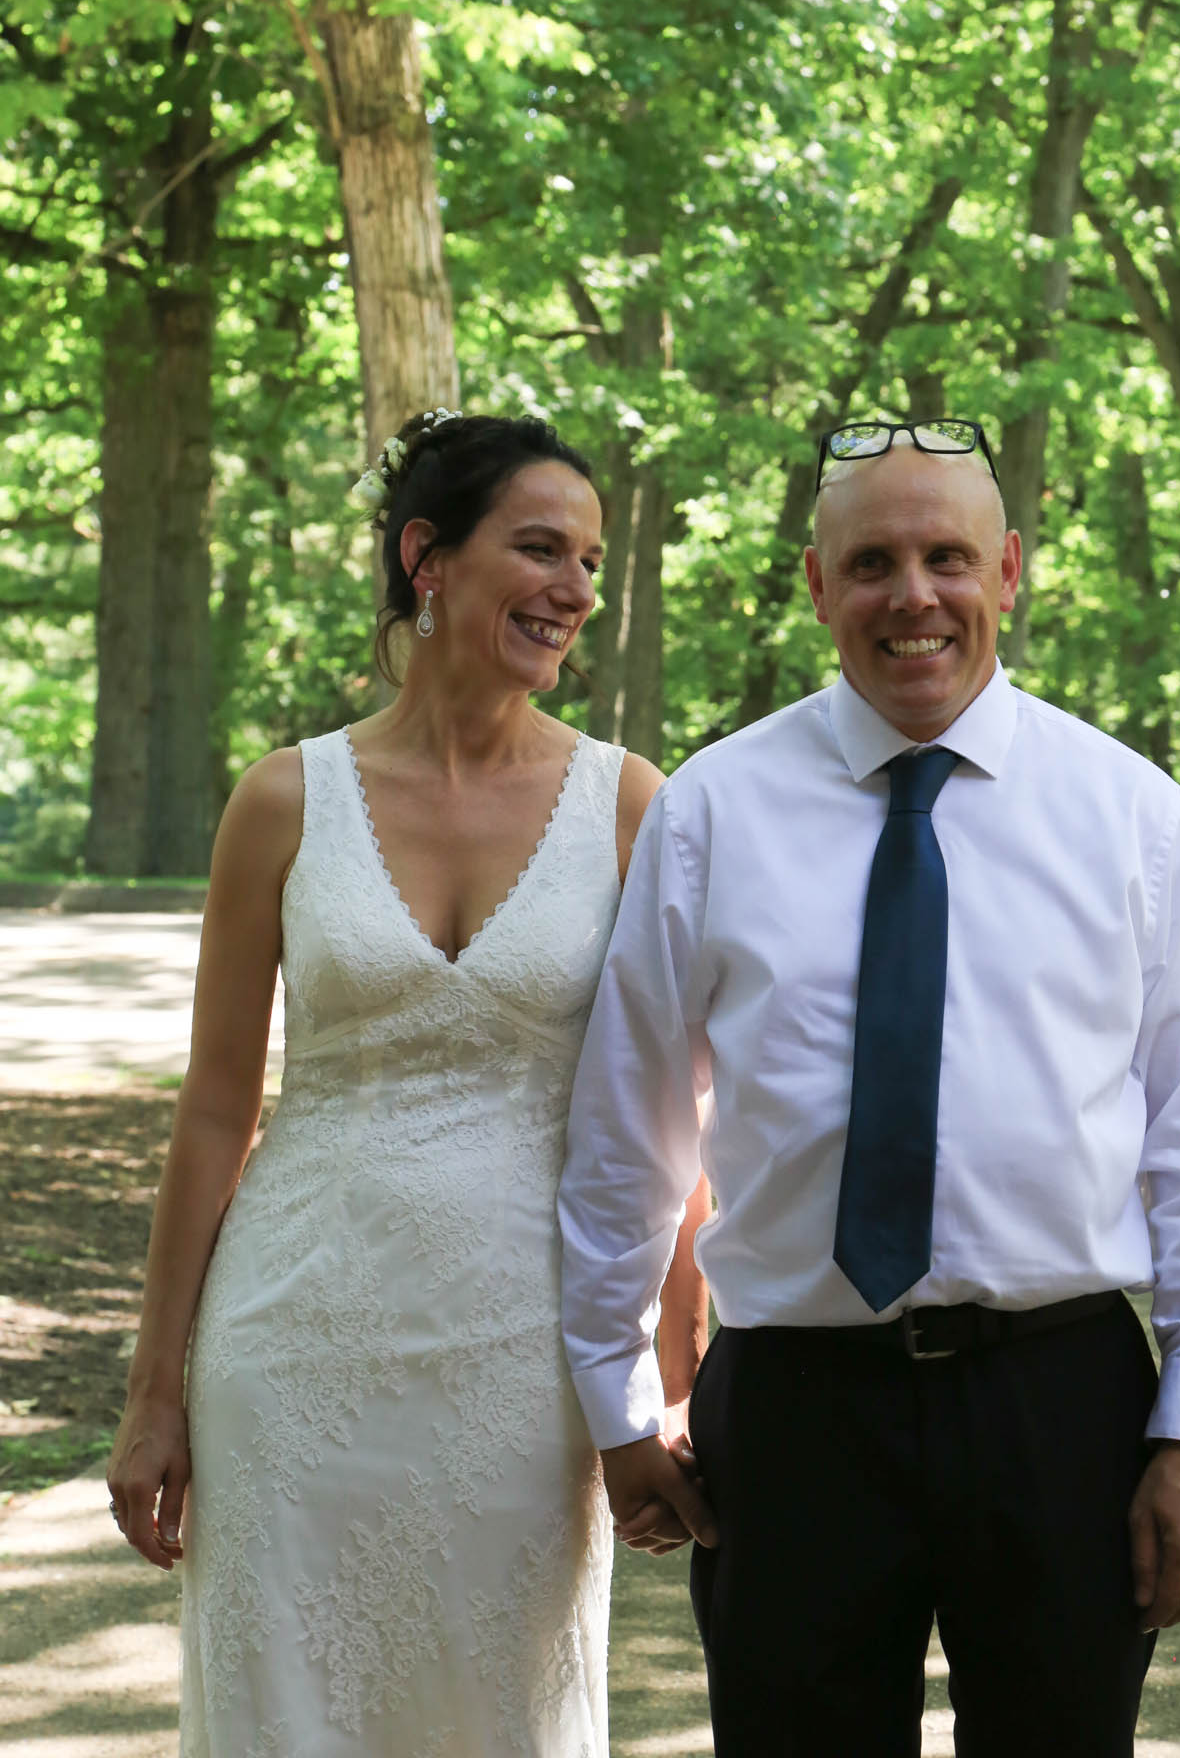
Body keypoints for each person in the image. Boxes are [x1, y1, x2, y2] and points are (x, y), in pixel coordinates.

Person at [558, 418, 1180, 1756]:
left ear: (1007, 570)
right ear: (816, 585)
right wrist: (616, 1405)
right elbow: (627, 1133)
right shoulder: (711, 812)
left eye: (946, 557)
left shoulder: (1130, 817)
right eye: (871, 562)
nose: (913, 596)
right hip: (794, 1414)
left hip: (1060, 1404)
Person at [107, 410, 710, 1757]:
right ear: (426, 556)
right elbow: (214, 1112)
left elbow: (671, 1116)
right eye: (540, 548)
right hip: (289, 1351)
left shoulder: (631, 805)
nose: (575, 589)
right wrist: (155, 1393)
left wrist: (674, 1379)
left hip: (523, 1361)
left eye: (591, 561)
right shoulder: (283, 801)